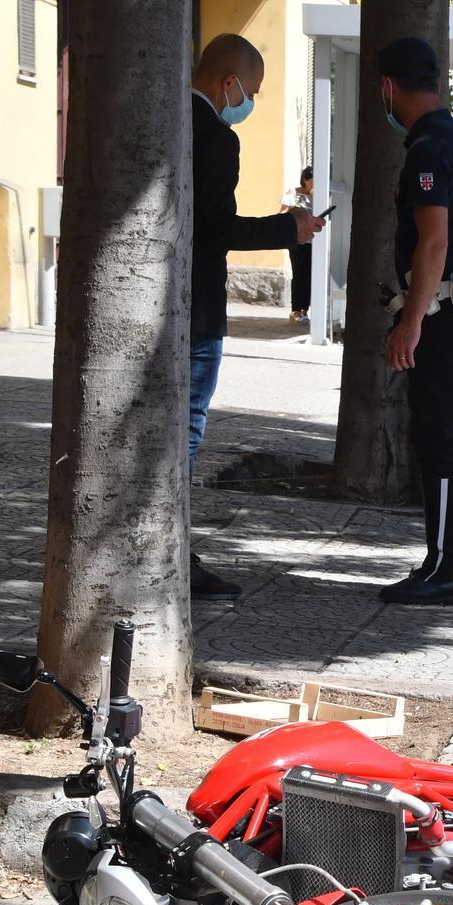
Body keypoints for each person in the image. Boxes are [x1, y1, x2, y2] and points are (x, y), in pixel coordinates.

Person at [190, 33, 323, 600]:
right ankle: (168, 543)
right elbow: (213, 230)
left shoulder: (153, 112)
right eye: (253, 93)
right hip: (193, 307)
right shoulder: (215, 138)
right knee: (187, 427)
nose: (251, 105)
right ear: (229, 83)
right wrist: (283, 228)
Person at [377, 37, 453, 606]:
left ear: (388, 86)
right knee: (444, 434)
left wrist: (411, 324)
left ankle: (446, 568)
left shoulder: (428, 148)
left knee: (435, 436)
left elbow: (434, 243)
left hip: (450, 308)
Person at [280, 165, 314, 323]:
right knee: (298, 273)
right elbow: (283, 211)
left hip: (312, 241)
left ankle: (305, 309)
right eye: (312, 181)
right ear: (305, 180)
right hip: (297, 240)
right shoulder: (294, 193)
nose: (314, 184)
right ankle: (295, 310)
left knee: (308, 275)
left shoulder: (318, 196)